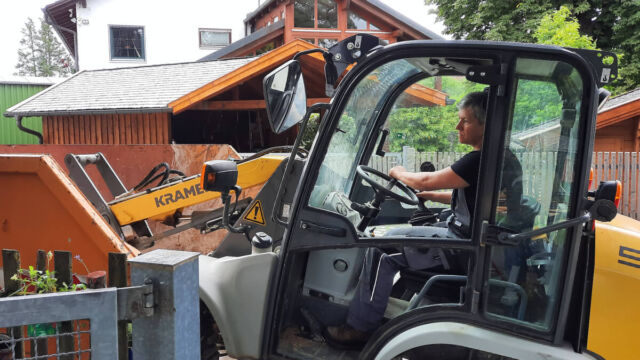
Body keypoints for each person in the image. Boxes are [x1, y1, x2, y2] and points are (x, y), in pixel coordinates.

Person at [324, 91, 522, 349]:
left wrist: (400, 172)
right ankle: (379, 308)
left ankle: (361, 326)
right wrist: (430, 196)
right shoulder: (502, 158)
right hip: (477, 243)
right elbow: (472, 198)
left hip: (464, 249)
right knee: (410, 229)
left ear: (487, 125)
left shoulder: (479, 160)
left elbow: (424, 179)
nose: (457, 126)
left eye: (465, 121)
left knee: (381, 250)